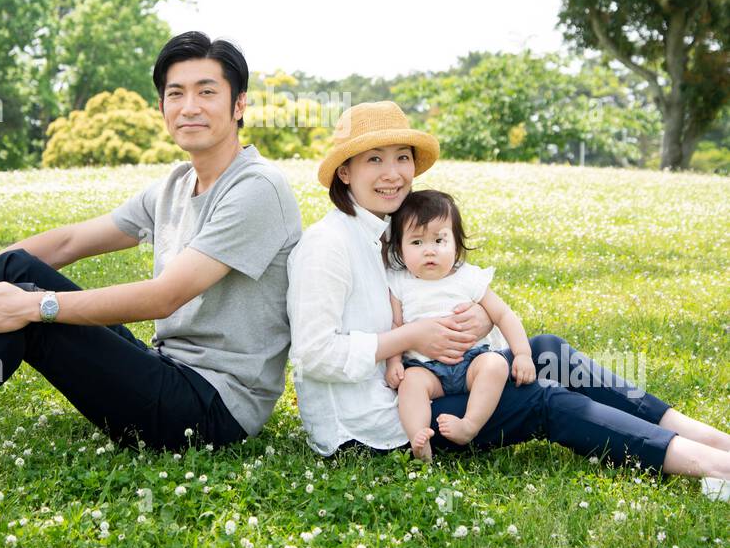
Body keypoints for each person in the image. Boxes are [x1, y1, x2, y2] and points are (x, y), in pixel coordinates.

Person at [0, 32, 302, 455]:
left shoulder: (256, 188)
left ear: (239, 103)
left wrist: (35, 306)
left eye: (206, 92)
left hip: (211, 410)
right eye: (176, 93)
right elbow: (70, 240)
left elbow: (165, 297)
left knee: (27, 312)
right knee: (15, 268)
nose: (189, 107)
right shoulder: (176, 185)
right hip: (166, 368)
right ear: (162, 104)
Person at [286, 101, 730, 502]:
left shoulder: (387, 232)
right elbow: (312, 354)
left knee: (548, 351)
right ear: (345, 172)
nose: (393, 172)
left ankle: (709, 439)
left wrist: (480, 318)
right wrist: (408, 337)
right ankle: (716, 468)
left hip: (436, 377)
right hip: (380, 419)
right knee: (544, 399)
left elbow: (439, 296)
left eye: (402, 157)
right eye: (374, 160)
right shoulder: (327, 246)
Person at [384, 188, 535, 460]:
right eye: (416, 243)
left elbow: (503, 315)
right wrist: (394, 362)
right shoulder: (400, 283)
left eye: (439, 240)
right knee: (410, 385)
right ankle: (420, 439)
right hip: (426, 368)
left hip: (471, 362)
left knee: (496, 365)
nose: (429, 250)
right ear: (399, 249)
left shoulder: (467, 278)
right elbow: (395, 326)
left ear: (456, 245)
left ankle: (469, 425)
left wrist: (522, 354)